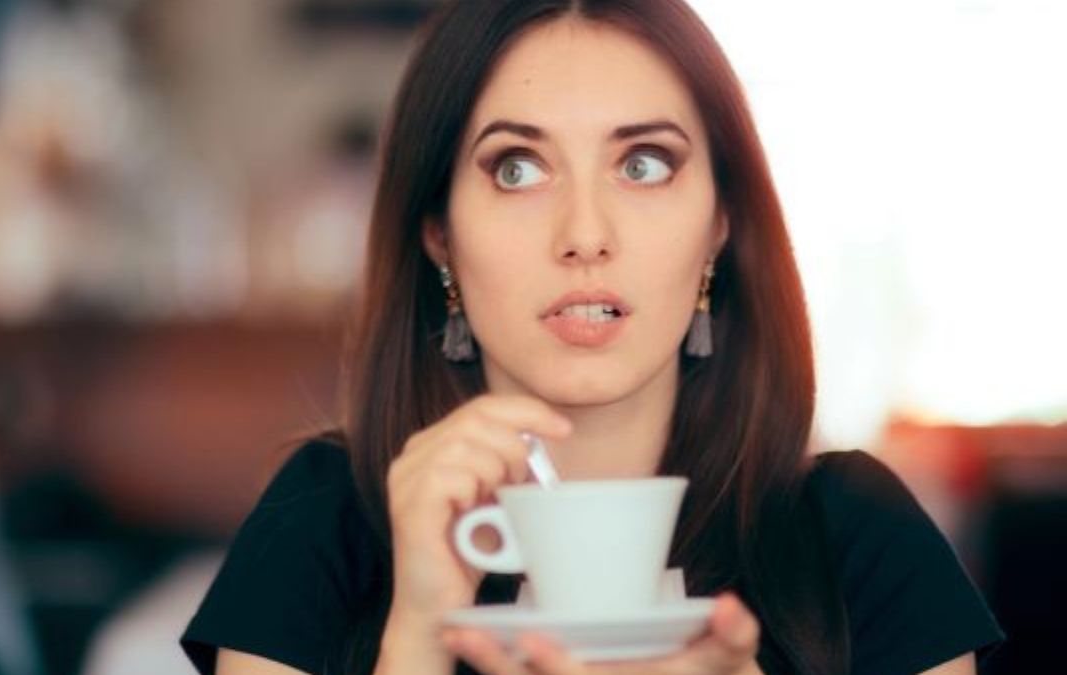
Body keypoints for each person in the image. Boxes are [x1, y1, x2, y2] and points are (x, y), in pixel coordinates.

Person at [180, 1, 1004, 674]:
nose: (584, 233)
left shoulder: (859, 536)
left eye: (644, 164)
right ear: (438, 233)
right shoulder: (324, 519)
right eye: (517, 168)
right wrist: (415, 646)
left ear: (719, 224)